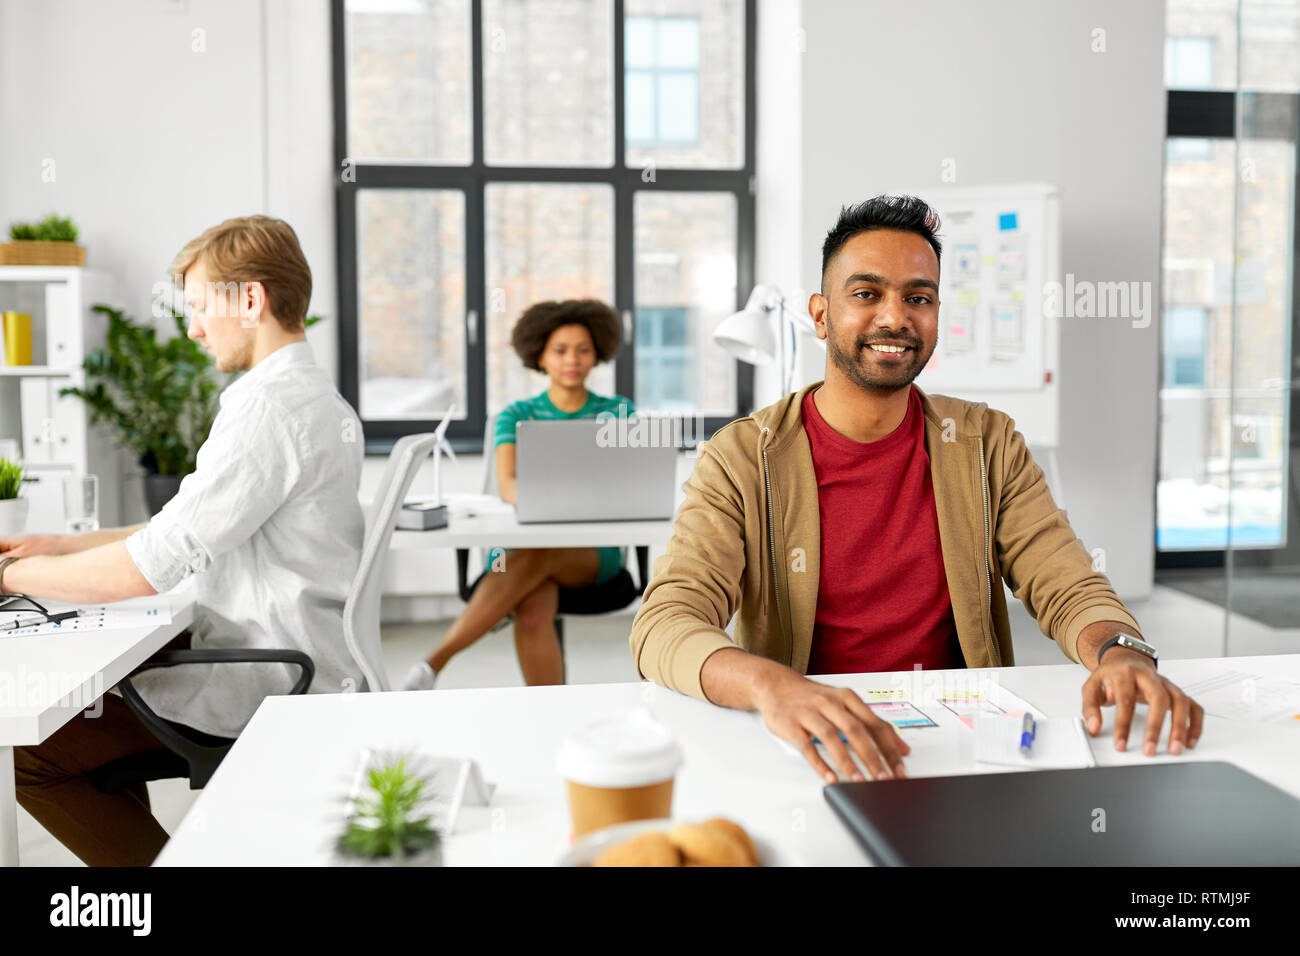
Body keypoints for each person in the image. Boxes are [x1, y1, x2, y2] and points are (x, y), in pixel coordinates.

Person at [630, 195, 1204, 786]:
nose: (895, 317)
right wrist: (772, 685)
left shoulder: (986, 441)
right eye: (866, 294)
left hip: (964, 741)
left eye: (918, 297)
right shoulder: (744, 456)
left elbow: (1066, 582)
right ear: (821, 316)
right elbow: (666, 622)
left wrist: (1121, 651)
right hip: (811, 740)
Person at [0, 215, 365, 865]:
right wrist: (61, 547)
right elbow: (182, 528)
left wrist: (9, 579)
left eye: (200, 308)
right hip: (297, 653)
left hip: (266, 676)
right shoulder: (310, 399)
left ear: (249, 300)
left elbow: (146, 571)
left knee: (35, 754)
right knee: (89, 701)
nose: (194, 328)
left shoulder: (267, 409)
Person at [402, 299, 633, 690]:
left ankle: (434, 663)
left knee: (536, 557)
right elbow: (507, 483)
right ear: (540, 356)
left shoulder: (619, 412)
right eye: (560, 351)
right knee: (532, 604)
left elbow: (625, 484)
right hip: (520, 545)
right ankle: (549, 712)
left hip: (591, 553)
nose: (571, 360)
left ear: (597, 355)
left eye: (583, 349)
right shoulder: (516, 414)